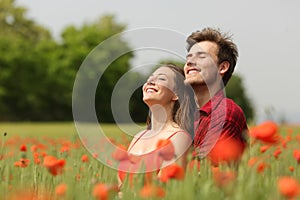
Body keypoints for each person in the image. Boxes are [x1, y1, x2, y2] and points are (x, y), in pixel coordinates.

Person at [117, 64, 196, 187]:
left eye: (162, 79)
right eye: (150, 78)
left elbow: (162, 190)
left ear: (176, 94)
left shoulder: (180, 138)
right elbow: (120, 187)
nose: (150, 82)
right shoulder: (138, 137)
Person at [183, 27, 248, 160]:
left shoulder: (226, 113)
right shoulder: (186, 114)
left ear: (222, 67)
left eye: (201, 56)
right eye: (188, 58)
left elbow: (203, 171)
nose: (189, 62)